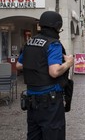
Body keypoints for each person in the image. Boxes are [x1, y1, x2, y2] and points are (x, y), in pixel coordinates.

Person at [16, 11, 74, 140]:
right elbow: (54, 72)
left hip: (32, 101)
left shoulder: (30, 42)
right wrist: (69, 63)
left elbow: (19, 66)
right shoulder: (53, 44)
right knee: (53, 134)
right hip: (50, 103)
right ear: (57, 27)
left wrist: (37, 64)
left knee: (34, 136)